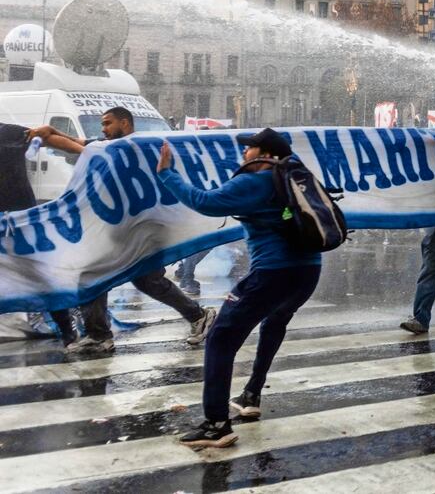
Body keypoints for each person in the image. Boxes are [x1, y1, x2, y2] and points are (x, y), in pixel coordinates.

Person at [156, 127, 323, 448]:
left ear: (265, 155)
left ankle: (217, 424)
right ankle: (251, 393)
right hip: (308, 271)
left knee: (220, 337)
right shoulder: (297, 174)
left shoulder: (256, 180)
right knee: (275, 322)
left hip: (273, 273)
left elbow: (205, 202)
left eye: (250, 150)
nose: (244, 155)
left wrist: (167, 174)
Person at [31, 107, 216, 354]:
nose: (103, 129)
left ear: (125, 123)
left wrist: (47, 134)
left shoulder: (138, 147)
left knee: (100, 275)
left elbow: (78, 147)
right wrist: (47, 132)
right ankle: (197, 316)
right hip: (123, 229)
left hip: (142, 229)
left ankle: (101, 335)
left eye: (107, 123)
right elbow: (76, 143)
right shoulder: (108, 146)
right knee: (139, 280)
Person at [1, 121, 86, 345]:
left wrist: (84, 151)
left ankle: (66, 328)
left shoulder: (9, 132)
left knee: (40, 276)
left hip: (19, 219)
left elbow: (47, 138)